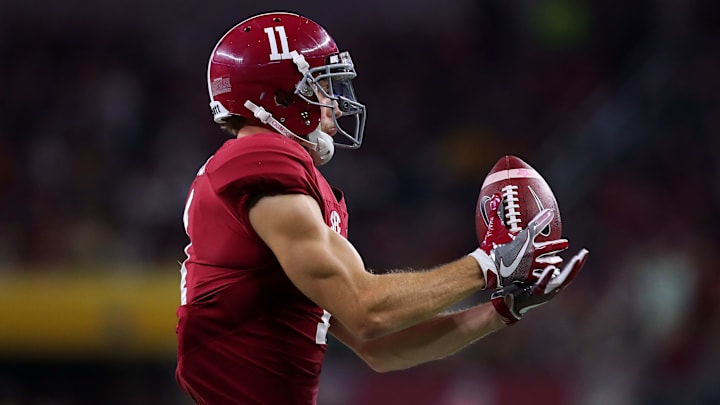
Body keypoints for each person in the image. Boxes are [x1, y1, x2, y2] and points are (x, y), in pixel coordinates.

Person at [174, 11, 589, 405]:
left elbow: (378, 346)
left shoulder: (285, 180)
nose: (336, 105)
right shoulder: (260, 159)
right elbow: (366, 309)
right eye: (322, 87)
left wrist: (503, 309)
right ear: (280, 95)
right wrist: (487, 264)